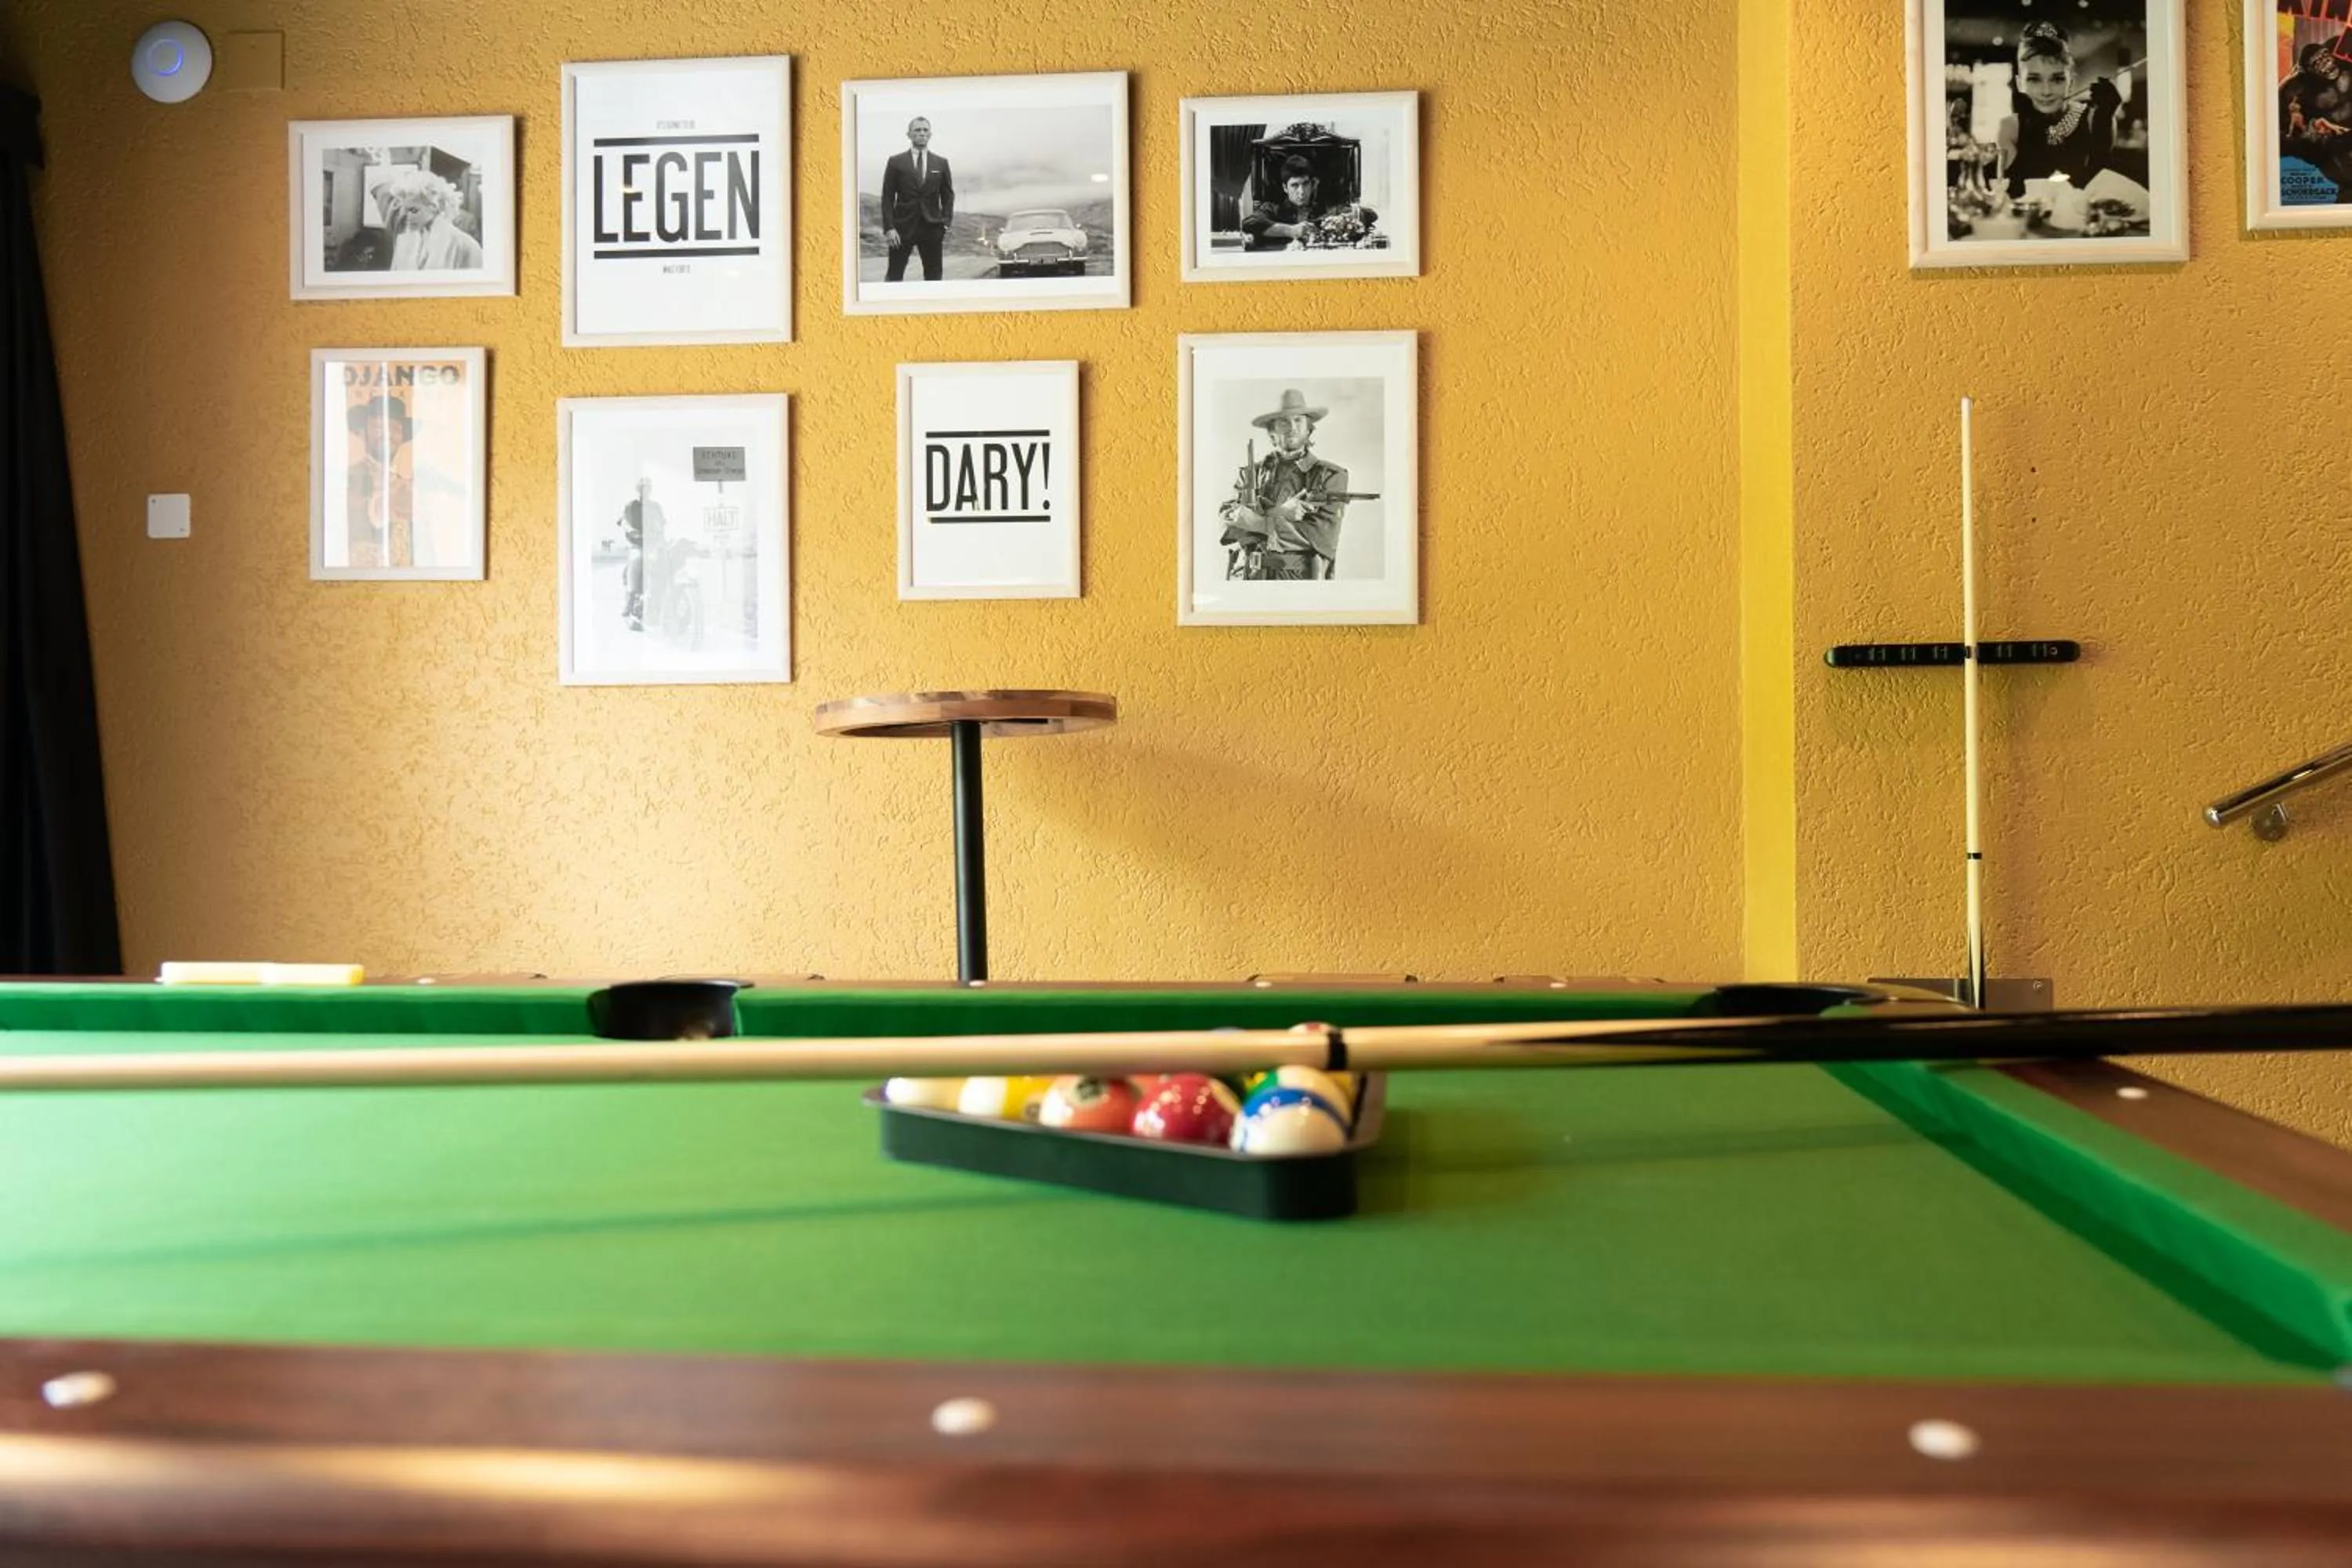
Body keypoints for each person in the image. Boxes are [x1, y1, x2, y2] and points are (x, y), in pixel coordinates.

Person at [1217, 389, 1352, 581]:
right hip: (1248, 577)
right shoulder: (1250, 474)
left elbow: (1320, 539)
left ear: (1309, 428)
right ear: (1272, 432)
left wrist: (1257, 523)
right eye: (1284, 422)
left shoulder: (1330, 476)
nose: (1292, 427)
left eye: (1298, 420)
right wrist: (1280, 513)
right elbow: (1226, 524)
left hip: (1299, 580)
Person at [1996, 22, 2122, 196]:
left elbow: (2100, 186)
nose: (2046, 91)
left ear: (2071, 82)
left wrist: (2105, 121)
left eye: (2057, 79)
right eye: (2034, 79)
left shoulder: (2095, 119)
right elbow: (2009, 192)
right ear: (2020, 84)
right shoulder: (2010, 128)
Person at [1240, 155, 1377, 251]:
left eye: (1306, 184)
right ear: (1285, 188)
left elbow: (1370, 215)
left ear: (1313, 184)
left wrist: (1342, 220)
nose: (1302, 191)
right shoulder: (1273, 209)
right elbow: (1249, 224)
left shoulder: (1328, 207)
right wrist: (1291, 231)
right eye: (1295, 185)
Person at [879, 117, 954, 281]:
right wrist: (889, 227)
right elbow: (887, 197)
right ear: (909, 134)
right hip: (901, 229)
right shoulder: (896, 162)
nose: (922, 133)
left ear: (930, 134)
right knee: (894, 276)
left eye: (925, 130)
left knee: (934, 276)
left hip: (932, 228)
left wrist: (946, 223)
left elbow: (948, 195)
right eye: (917, 130)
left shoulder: (941, 163)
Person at [344, 394, 415, 568]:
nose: (389, 434)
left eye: (396, 428)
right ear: (362, 433)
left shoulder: (406, 485)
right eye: (379, 426)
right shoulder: (348, 479)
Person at [2281, 38, 2352, 201]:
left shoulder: (2346, 65)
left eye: (2325, 56)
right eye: (2317, 62)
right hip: (2339, 153)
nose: (2325, 63)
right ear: (2310, 71)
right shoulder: (2306, 91)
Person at [373, 166, 484, 271]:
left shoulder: (466, 246)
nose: (407, 217)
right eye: (404, 210)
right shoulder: (404, 240)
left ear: (436, 207)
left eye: (414, 210)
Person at [615, 478, 667, 633]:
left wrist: (659, 533)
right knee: (637, 561)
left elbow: (662, 523)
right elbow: (622, 520)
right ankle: (631, 602)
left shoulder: (656, 507)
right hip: (637, 543)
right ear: (638, 490)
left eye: (648, 488)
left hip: (654, 543)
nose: (646, 491)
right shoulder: (632, 506)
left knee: (666, 564)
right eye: (643, 488)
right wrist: (629, 529)